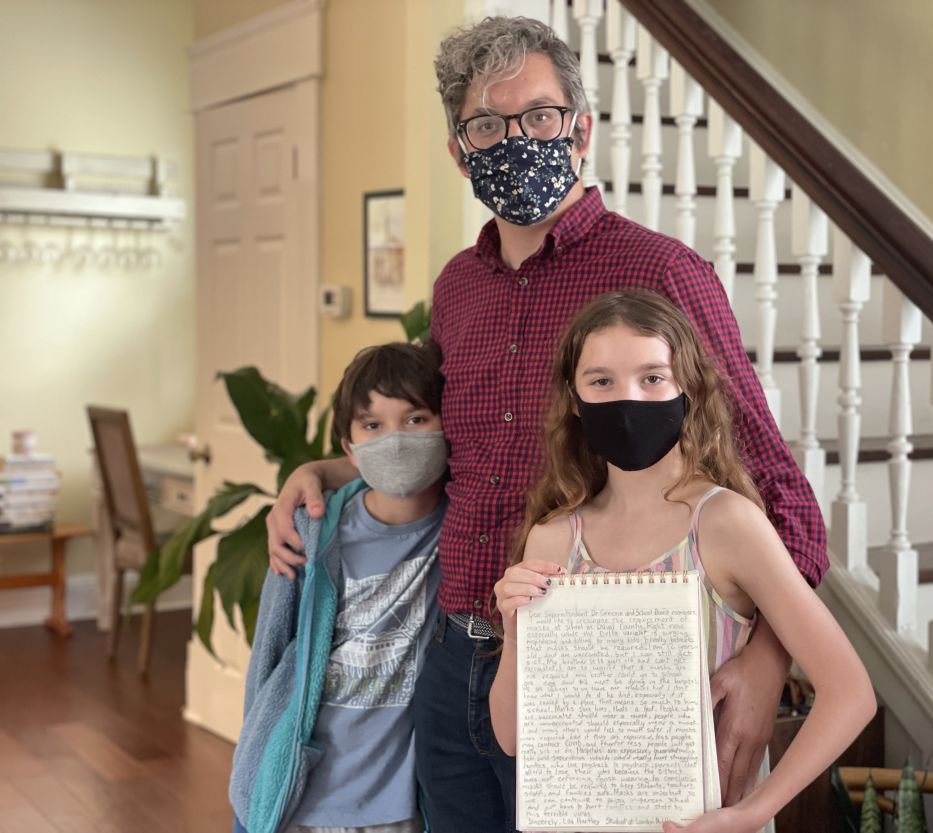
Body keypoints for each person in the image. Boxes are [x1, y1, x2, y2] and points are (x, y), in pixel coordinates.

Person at [266, 16, 828, 832]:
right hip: (450, 649)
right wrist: (320, 472)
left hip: (593, 657)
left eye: (537, 116)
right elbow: (434, 442)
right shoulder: (458, 285)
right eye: (486, 126)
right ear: (460, 152)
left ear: (581, 128)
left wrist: (769, 659)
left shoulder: (661, 273)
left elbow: (782, 491)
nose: (514, 140)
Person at [491, 290, 875, 833]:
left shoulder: (726, 524)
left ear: (687, 389)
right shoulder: (554, 538)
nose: (628, 399)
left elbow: (851, 692)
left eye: (652, 377)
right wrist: (514, 626)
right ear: (574, 400)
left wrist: (754, 811)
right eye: (601, 381)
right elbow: (510, 737)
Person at [230, 342, 448, 833]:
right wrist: (262, 767)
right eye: (373, 425)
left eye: (416, 419)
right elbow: (269, 652)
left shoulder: (460, 530)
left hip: (399, 806)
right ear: (350, 449)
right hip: (301, 794)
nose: (394, 440)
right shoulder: (311, 531)